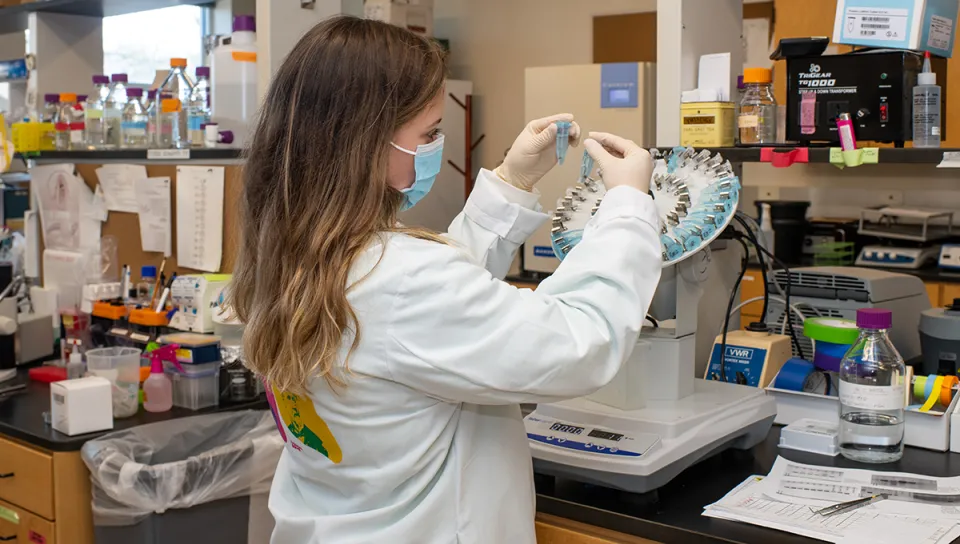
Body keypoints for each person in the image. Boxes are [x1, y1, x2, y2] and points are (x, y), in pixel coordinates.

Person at [231, 16, 661, 544]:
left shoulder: (288, 254)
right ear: (366, 144)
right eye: (430, 133)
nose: (439, 143)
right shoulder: (399, 279)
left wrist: (513, 181)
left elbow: (429, 320)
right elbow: (582, 342)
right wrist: (628, 208)